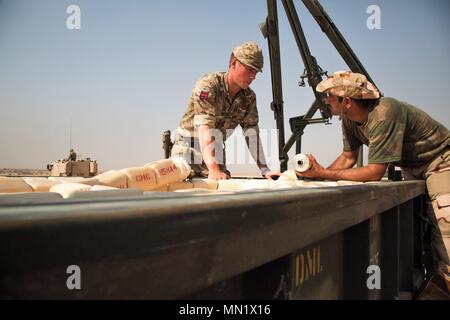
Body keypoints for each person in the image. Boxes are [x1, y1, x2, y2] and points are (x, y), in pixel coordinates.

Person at [295, 70, 450, 297]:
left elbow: (376, 171)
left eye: (329, 95)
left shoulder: (385, 112)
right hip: (413, 167)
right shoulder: (349, 120)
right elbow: (348, 158)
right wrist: (317, 174)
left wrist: (324, 174)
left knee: (445, 227)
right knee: (423, 230)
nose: (325, 100)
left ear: (346, 101)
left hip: (439, 160)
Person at [171, 42, 280, 180]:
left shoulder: (249, 98)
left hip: (215, 150)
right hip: (188, 147)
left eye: (256, 72)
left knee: (222, 188)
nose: (253, 77)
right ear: (234, 63)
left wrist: (265, 169)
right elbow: (205, 127)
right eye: (250, 70)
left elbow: (251, 134)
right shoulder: (209, 85)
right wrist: (213, 169)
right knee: (181, 183)